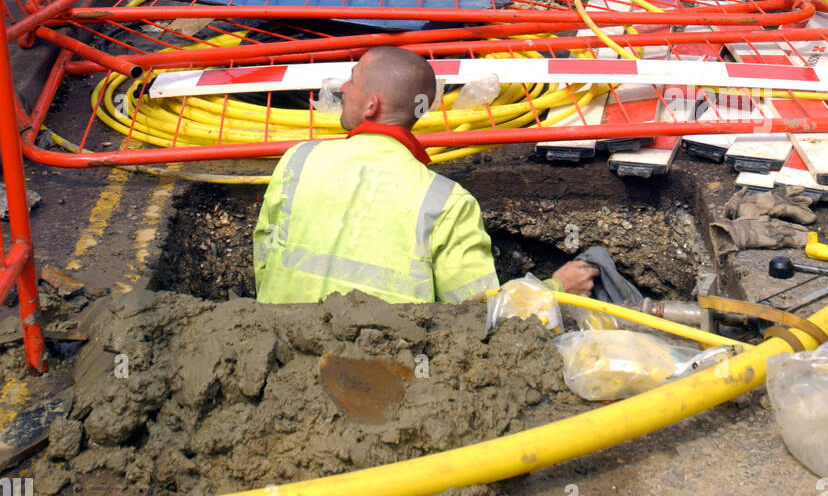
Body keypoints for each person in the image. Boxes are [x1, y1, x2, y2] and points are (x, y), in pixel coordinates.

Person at [253, 45, 597, 306]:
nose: (343, 86)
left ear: (372, 105)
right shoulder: (447, 202)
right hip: (383, 379)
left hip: (278, 353)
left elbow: (264, 255)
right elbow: (477, 314)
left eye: (353, 80)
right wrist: (554, 290)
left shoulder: (299, 159)